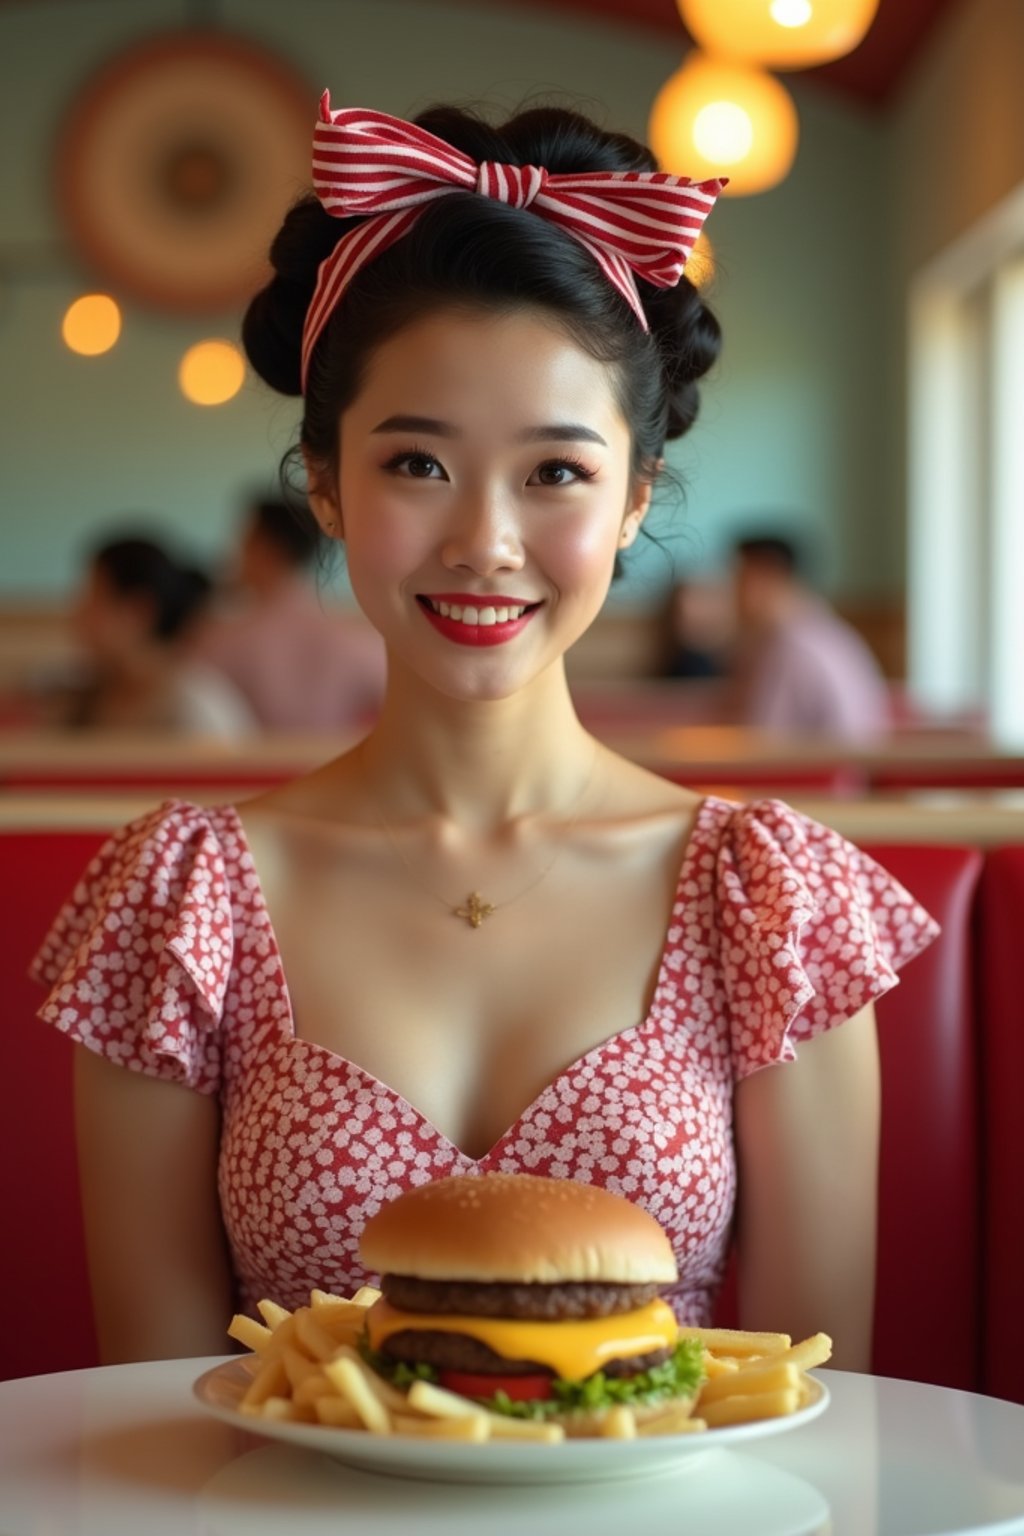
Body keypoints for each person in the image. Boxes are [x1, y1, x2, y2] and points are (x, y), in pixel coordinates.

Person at [30, 97, 937, 1372]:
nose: (485, 543)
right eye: (417, 465)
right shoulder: (185, 904)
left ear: (632, 501)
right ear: (328, 483)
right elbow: (154, 1407)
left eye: (556, 472)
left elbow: (817, 1407)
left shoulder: (766, 900)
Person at [193, 496, 386, 731]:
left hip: (252, 766)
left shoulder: (223, 638)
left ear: (262, 547)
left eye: (243, 541)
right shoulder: (357, 639)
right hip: (338, 761)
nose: (234, 554)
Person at [53, 534, 256, 737]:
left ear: (139, 610)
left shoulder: (196, 709)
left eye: (93, 596)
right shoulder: (81, 697)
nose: (78, 612)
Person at [731, 534, 891, 739]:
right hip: (847, 766)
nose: (733, 592)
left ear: (764, 578)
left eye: (739, 578)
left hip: (827, 769)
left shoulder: (791, 646)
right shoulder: (826, 631)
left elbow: (766, 742)